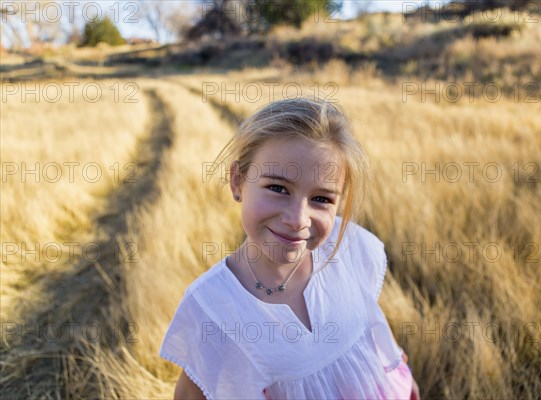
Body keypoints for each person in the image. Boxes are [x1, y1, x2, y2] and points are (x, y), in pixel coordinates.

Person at [160, 98, 420, 400]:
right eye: (278, 188)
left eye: (321, 199)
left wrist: (397, 365)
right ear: (237, 181)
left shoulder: (348, 244)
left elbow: (367, 315)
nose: (298, 220)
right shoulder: (211, 307)